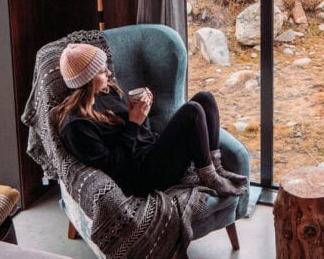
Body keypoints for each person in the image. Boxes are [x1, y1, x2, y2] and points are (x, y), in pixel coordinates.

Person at [52, 42, 247, 199]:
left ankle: (216, 169)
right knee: (192, 111)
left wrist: (142, 113)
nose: (109, 73)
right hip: (140, 176)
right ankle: (210, 178)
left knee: (205, 98)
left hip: (152, 152)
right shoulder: (76, 125)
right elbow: (113, 166)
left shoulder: (107, 91)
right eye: (102, 72)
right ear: (87, 80)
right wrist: (134, 123)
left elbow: (141, 133)